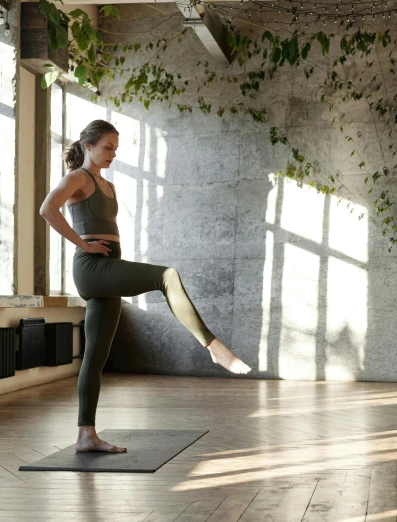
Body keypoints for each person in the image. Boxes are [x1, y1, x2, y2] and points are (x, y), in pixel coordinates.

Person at [39, 119, 252, 454]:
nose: (112, 154)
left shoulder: (107, 186)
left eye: (115, 149)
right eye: (107, 147)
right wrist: (83, 243)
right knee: (166, 276)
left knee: (95, 357)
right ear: (87, 145)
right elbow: (47, 209)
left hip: (107, 270)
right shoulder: (78, 177)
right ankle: (212, 346)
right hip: (93, 268)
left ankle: (85, 435)